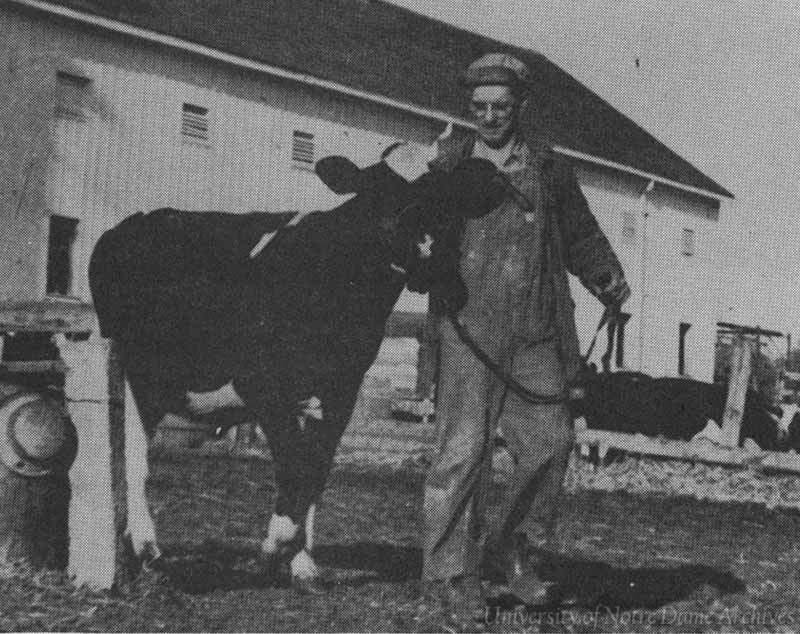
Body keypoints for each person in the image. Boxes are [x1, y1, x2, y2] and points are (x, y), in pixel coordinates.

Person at [422, 52, 631, 619]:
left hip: (537, 333)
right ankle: (450, 575)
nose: (489, 117)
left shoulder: (548, 169)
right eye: (479, 107)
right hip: (469, 332)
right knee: (461, 454)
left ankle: (513, 552)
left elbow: (581, 233)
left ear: (522, 107)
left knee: (551, 443)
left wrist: (605, 275)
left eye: (501, 107)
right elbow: (416, 235)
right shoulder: (448, 168)